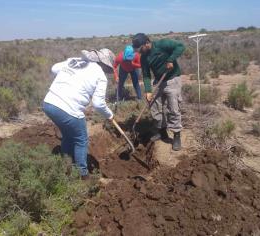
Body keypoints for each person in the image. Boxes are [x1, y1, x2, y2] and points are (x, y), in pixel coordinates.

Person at [42, 48, 115, 179]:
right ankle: (83, 175)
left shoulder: (74, 60)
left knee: (68, 135)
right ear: (104, 64)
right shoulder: (100, 76)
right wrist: (110, 115)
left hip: (49, 103)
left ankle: (65, 165)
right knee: (81, 140)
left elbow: (54, 68)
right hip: (68, 108)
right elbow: (98, 104)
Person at [132, 33, 185, 151]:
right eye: (137, 50)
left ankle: (176, 135)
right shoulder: (143, 57)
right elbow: (146, 75)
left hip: (172, 79)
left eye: (140, 48)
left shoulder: (162, 44)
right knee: (155, 106)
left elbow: (180, 46)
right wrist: (148, 91)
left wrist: (171, 59)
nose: (139, 52)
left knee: (173, 108)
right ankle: (162, 131)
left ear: (147, 43)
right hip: (158, 81)